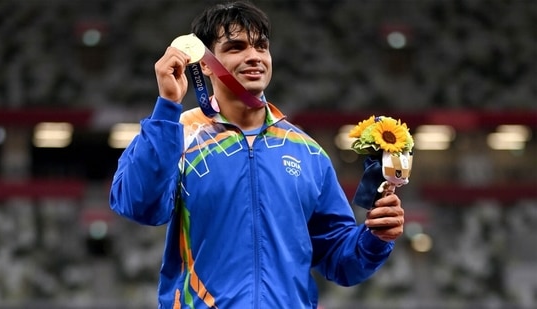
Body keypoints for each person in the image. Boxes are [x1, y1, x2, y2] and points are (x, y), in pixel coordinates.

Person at [109, 1, 405, 308]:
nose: (254, 57)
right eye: (236, 48)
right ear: (206, 63)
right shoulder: (177, 134)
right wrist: (168, 105)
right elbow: (139, 206)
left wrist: (375, 239)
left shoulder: (307, 152)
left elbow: (340, 261)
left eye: (261, 47)